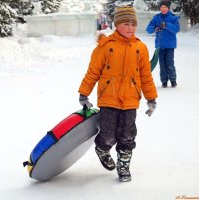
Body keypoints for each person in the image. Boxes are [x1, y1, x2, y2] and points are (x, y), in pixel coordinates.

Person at [78, 6, 158, 182]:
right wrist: (84, 94)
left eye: (133, 24)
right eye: (125, 24)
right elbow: (93, 72)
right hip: (109, 99)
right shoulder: (105, 46)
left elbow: (146, 76)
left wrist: (151, 98)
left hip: (130, 100)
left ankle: (123, 166)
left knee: (128, 135)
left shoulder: (140, 48)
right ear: (116, 25)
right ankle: (102, 149)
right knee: (107, 135)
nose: (130, 28)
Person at [146, 0, 180, 88]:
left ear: (168, 8)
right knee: (162, 64)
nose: (163, 9)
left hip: (170, 45)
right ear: (159, 8)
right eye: (161, 7)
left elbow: (176, 29)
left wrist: (167, 25)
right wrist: (155, 28)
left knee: (169, 63)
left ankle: (173, 80)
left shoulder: (173, 18)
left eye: (165, 7)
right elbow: (148, 29)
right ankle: (164, 81)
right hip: (160, 45)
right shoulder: (156, 18)